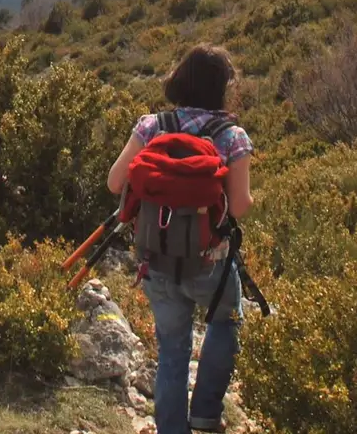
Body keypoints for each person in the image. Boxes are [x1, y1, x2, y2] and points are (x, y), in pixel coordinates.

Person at [106, 44, 253, 434]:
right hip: (211, 263)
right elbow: (238, 208)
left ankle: (171, 429)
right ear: (222, 87)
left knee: (172, 349)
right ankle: (205, 416)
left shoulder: (152, 126)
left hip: (156, 259)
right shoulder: (233, 136)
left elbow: (114, 182)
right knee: (225, 321)